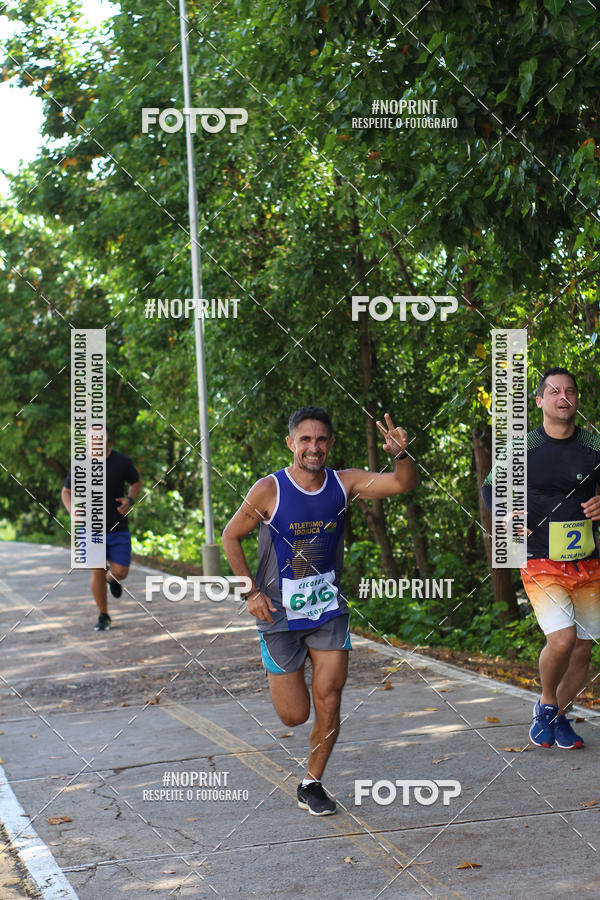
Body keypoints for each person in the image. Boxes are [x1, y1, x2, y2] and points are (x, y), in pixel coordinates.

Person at [222, 406, 417, 815]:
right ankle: (284, 682)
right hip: (277, 615)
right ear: (291, 443)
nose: (314, 447)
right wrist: (250, 592)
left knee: (329, 697)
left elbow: (402, 483)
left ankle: (312, 782)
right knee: (295, 715)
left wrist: (400, 453)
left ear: (330, 444)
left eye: (321, 439)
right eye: (305, 440)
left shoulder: (343, 483)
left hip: (327, 610)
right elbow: (230, 537)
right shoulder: (268, 490)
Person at [482, 367, 600, 749]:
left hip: (587, 559)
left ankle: (559, 716)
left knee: (584, 646)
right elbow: (489, 488)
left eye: (569, 391)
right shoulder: (523, 447)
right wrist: (504, 515)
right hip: (538, 557)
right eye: (554, 391)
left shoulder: (594, 447)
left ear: (576, 399)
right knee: (563, 640)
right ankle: (547, 703)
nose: (562, 397)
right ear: (539, 401)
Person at [61, 428, 142, 631]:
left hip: (118, 526)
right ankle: (103, 615)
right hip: (91, 528)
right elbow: (66, 492)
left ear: (107, 439)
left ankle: (112, 578)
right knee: (96, 570)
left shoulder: (122, 462)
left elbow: (136, 482)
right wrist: (72, 511)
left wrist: (130, 500)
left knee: (121, 572)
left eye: (100, 437)